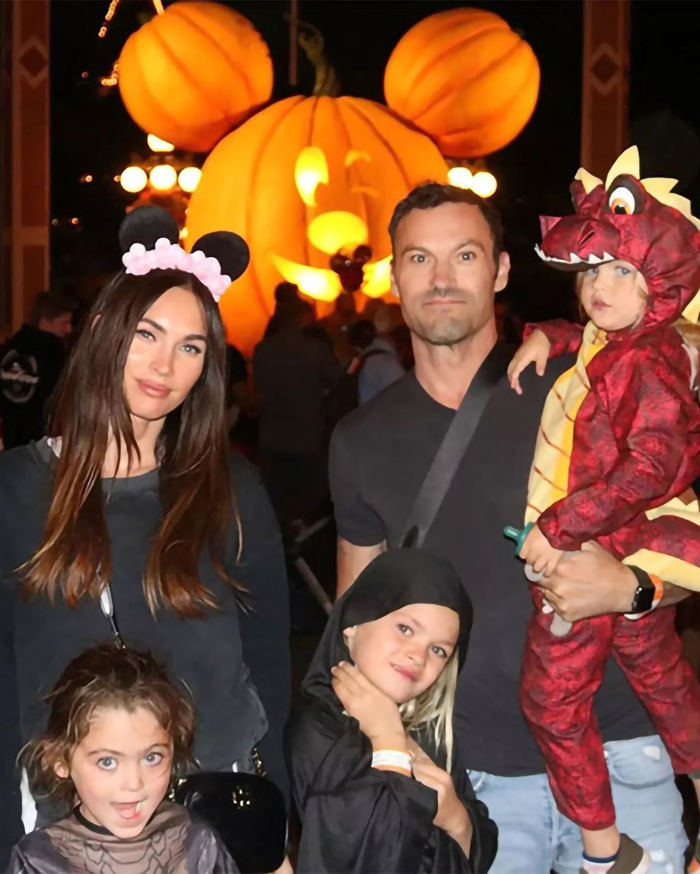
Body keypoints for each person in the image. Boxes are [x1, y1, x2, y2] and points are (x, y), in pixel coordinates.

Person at [329, 182, 699, 874]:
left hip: (622, 749)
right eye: (418, 259)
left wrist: (634, 589)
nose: (441, 279)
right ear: (393, 278)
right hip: (474, 776)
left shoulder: (595, 376)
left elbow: (685, 535)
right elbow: (361, 621)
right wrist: (391, 754)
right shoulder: (359, 440)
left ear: (500, 271)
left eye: (464, 255)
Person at [0, 206, 291, 869]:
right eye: (147, 334)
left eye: (191, 347)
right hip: (68, 823)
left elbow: (269, 663)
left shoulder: (230, 488)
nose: (166, 364)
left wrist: (275, 833)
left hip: (215, 810)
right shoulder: (19, 488)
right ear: (103, 330)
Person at [506, 146, 700, 873]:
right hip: (608, 545)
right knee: (663, 678)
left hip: (592, 552)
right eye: (591, 270)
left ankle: (600, 851)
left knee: (553, 701)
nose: (599, 287)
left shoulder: (652, 363)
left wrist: (558, 527)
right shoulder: (621, 340)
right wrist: (546, 334)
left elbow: (653, 466)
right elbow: (590, 343)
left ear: (662, 282)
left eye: (621, 270)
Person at [287, 547, 497, 873]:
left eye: (439, 649)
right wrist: (388, 740)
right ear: (353, 624)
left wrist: (457, 819)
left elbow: (475, 847)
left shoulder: (429, 729)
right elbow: (374, 856)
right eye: (405, 629)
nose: (418, 655)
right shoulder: (321, 728)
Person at [9, 643, 238, 873]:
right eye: (107, 762)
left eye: (152, 757)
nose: (133, 784)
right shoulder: (38, 862)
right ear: (60, 760)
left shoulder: (196, 842)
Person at [254, 295, 343, 530]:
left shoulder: (262, 350)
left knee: (277, 502)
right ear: (302, 319)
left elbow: (257, 392)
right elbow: (338, 380)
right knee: (307, 503)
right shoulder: (314, 349)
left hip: (272, 435)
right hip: (307, 434)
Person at [0, 290, 75, 449]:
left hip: (11, 446)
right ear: (45, 321)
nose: (69, 329)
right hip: (44, 448)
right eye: (64, 322)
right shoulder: (54, 357)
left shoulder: (7, 351)